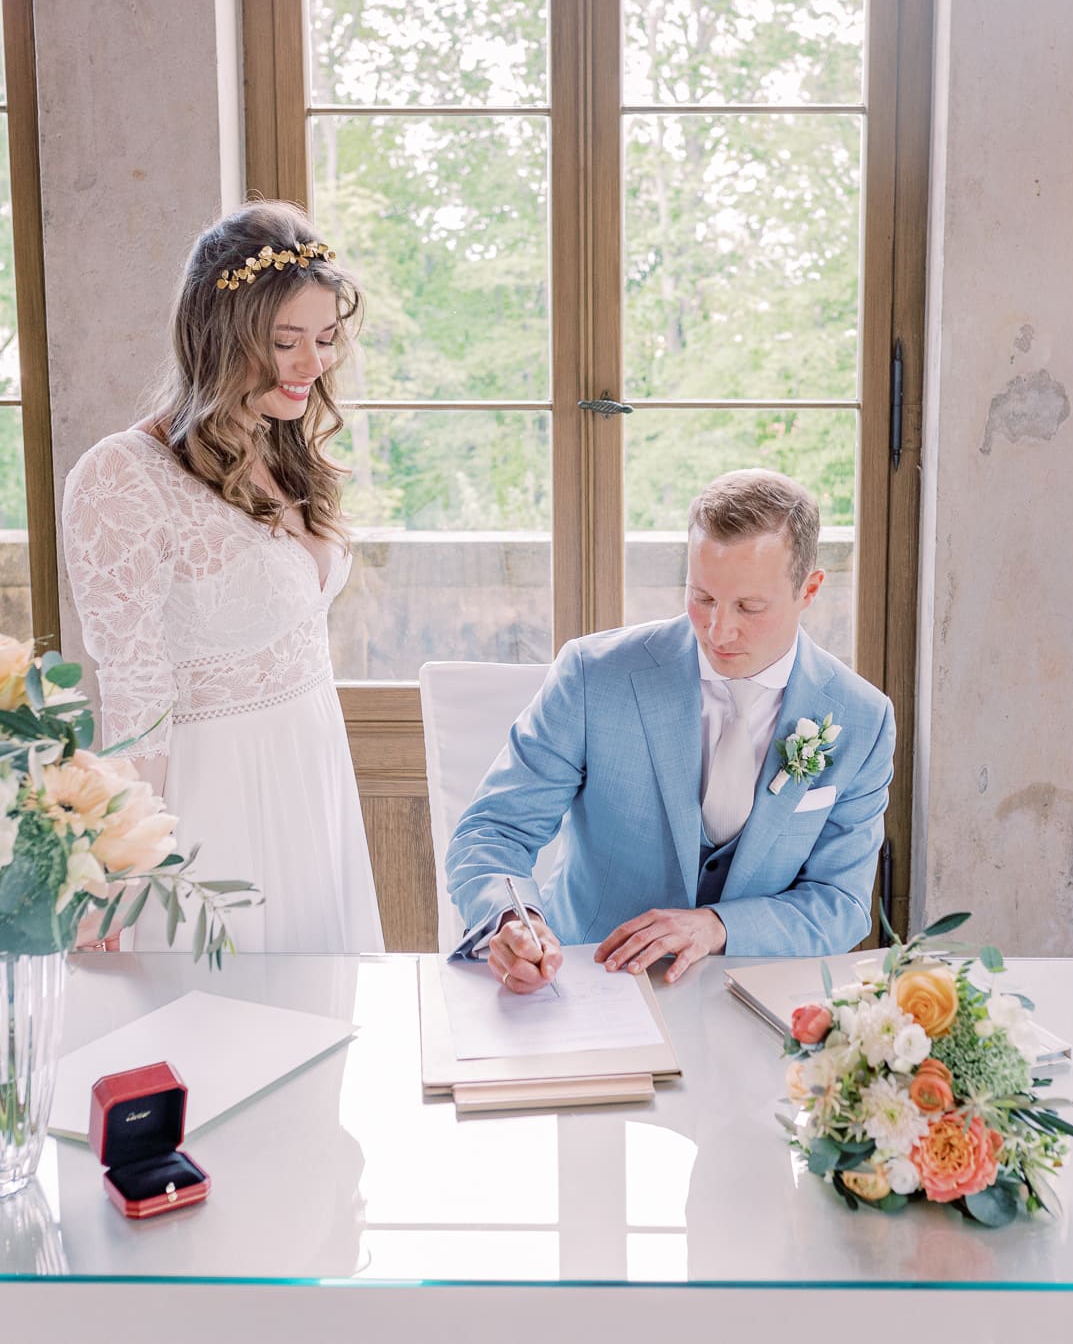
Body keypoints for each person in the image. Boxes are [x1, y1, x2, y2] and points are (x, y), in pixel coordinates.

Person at [61, 200, 384, 955]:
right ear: (220, 335)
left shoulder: (282, 442)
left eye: (326, 338)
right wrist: (115, 866)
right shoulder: (120, 478)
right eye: (286, 341)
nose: (314, 364)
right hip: (216, 804)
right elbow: (135, 694)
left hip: (312, 774)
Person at [447, 468, 893, 992]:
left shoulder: (862, 716)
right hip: (588, 982)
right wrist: (512, 920)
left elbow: (840, 903)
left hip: (759, 995)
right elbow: (494, 830)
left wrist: (718, 926)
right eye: (702, 598)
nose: (719, 630)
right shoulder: (594, 675)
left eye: (749, 606)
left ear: (809, 589)